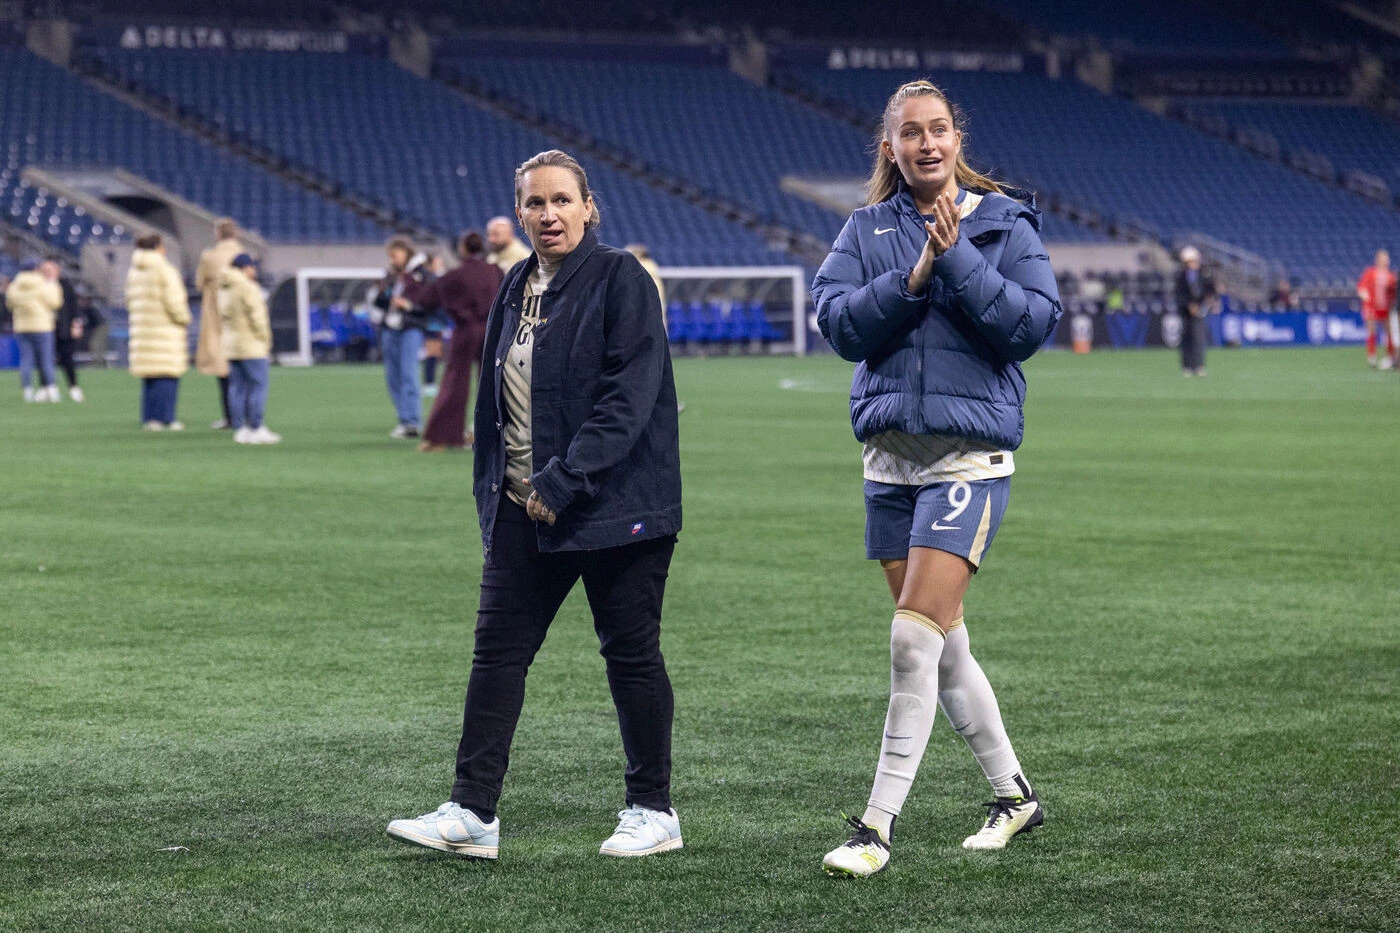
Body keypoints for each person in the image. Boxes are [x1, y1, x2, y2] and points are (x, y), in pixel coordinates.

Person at [387, 149, 683, 861]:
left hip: (613, 505)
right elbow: (498, 406)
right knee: (496, 654)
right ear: (519, 212)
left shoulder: (622, 280)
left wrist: (563, 479)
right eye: (535, 203)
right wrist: (499, 494)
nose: (548, 214)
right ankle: (473, 811)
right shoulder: (515, 283)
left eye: (561, 201)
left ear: (589, 207)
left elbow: (628, 398)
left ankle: (653, 809)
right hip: (524, 505)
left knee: (631, 656)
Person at [811, 79, 1062, 878]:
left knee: (911, 641)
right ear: (890, 146)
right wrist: (912, 277)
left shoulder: (1004, 223)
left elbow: (1029, 325)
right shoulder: (866, 228)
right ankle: (1014, 795)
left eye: (938, 129)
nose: (925, 143)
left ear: (958, 139)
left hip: (967, 457)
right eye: (909, 132)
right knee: (942, 643)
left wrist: (954, 259)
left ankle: (875, 826)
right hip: (889, 460)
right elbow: (838, 322)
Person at [401, 230, 503, 452]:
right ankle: (495, 436)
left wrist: (410, 279)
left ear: (462, 249)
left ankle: (442, 437)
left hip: (465, 332)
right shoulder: (495, 271)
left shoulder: (455, 275)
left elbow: (426, 300)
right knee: (493, 385)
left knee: (454, 383)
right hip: (492, 331)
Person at [371, 237, 436, 438]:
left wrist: (408, 306)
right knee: (393, 376)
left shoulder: (422, 274)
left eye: (395, 255)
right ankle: (403, 417)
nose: (392, 260)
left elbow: (430, 302)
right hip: (389, 328)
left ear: (406, 253)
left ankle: (412, 422)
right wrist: (383, 292)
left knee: (408, 373)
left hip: (410, 328)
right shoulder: (391, 276)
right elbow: (379, 302)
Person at [126, 233, 191, 431]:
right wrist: (184, 317)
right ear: (157, 247)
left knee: (150, 377)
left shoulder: (134, 272)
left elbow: (129, 301)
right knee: (167, 375)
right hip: (165, 330)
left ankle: (149, 418)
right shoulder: (165, 270)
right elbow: (174, 301)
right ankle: (166, 418)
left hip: (143, 329)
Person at [218, 254, 280, 445]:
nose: (254, 271)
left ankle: (240, 428)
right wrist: (265, 339)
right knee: (257, 386)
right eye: (252, 267)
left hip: (231, 344)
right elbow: (257, 317)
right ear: (245, 268)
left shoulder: (224, 287)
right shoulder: (247, 287)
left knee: (236, 388)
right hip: (250, 344)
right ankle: (256, 427)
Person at [195, 218, 246, 429]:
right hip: (240, 318)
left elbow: (199, 283)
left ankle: (229, 416)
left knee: (223, 371)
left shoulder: (209, 257)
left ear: (218, 234)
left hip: (216, 319)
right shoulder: (244, 256)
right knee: (243, 372)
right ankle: (245, 416)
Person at [5, 258, 62, 403]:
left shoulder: (14, 286)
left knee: (26, 360)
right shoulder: (43, 284)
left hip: (22, 327)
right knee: (46, 360)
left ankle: (28, 391)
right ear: (36, 269)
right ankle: (51, 389)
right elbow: (55, 303)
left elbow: (9, 305)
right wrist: (54, 284)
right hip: (42, 326)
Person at [1176, 246, 1215, 377]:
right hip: (1186, 312)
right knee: (1186, 339)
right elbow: (1180, 294)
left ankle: (1199, 366)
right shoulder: (1181, 276)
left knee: (1199, 339)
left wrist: (1208, 301)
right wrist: (1189, 305)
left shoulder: (1203, 275)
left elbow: (1210, 290)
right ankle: (1187, 366)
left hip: (1200, 311)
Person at [1357, 249, 1397, 369]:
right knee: (1371, 331)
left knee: (1388, 332)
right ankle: (1372, 356)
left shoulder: (1391, 276)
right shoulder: (1370, 272)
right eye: (1383, 258)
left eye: (1386, 258)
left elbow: (1394, 293)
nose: (1385, 260)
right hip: (1371, 307)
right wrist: (1364, 295)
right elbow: (1361, 287)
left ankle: (1390, 356)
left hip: (1386, 308)